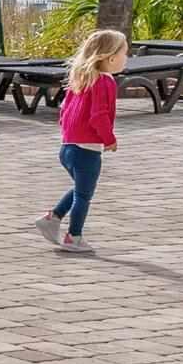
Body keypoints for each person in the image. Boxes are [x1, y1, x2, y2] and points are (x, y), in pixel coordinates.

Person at [35, 27, 126, 254]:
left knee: (80, 188)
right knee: (84, 195)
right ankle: (73, 237)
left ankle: (52, 218)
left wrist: (67, 134)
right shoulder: (105, 81)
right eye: (125, 53)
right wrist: (109, 139)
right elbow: (99, 115)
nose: (126, 58)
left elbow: (64, 110)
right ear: (111, 58)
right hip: (87, 150)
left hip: (68, 147)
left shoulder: (82, 78)